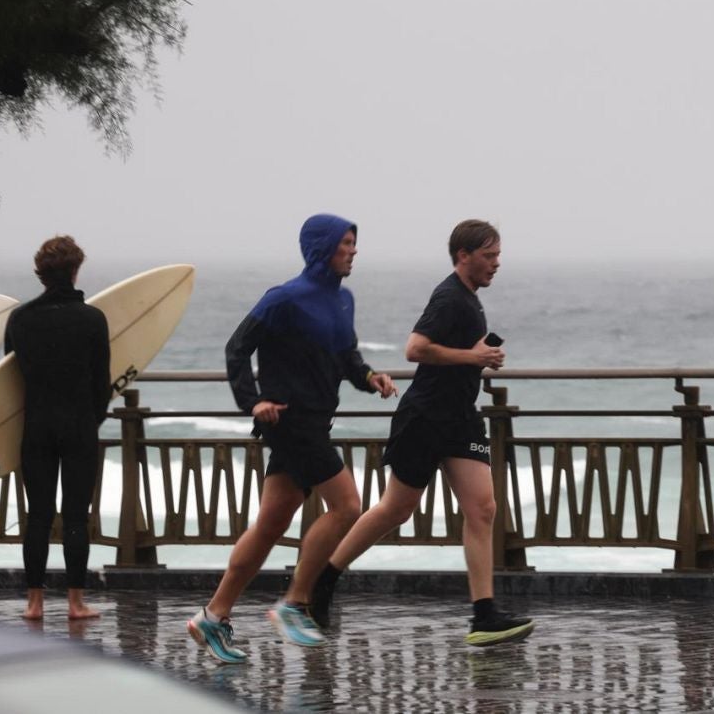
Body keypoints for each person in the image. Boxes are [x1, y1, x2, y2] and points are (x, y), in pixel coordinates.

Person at [302, 219, 534, 647]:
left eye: (498, 256)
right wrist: (471, 355)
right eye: (488, 256)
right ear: (463, 256)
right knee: (396, 510)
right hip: (425, 418)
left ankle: (483, 614)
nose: (496, 264)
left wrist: (478, 358)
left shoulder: (470, 300)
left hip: (462, 419)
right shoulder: (448, 297)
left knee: (482, 508)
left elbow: (456, 356)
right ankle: (325, 578)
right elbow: (415, 348)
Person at [187, 214, 396, 664]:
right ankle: (294, 602)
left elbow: (345, 356)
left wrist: (369, 377)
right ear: (323, 248)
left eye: (355, 242)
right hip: (289, 420)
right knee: (348, 507)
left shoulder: (342, 301)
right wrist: (252, 401)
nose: (354, 251)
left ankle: (213, 614)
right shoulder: (284, 299)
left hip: (317, 421)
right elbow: (237, 348)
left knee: (269, 527)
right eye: (345, 243)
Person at [5, 235, 111, 621]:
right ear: (75, 270)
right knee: (76, 516)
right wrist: (91, 417)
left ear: (42, 275)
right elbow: (103, 383)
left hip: (36, 425)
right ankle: (75, 603)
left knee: (38, 515)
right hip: (79, 423)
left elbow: (8, 379)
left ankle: (33, 604)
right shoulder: (93, 319)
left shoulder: (19, 319)